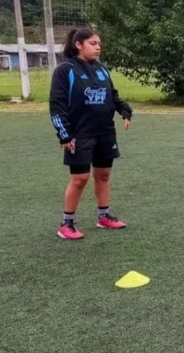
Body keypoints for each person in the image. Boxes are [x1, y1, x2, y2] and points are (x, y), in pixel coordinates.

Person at [50, 28, 132, 240]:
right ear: (78, 44)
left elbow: (112, 96)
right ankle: (66, 224)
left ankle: (104, 217)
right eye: (93, 43)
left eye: (99, 44)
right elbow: (57, 105)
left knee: (103, 175)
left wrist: (124, 111)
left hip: (105, 132)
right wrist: (64, 135)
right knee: (80, 178)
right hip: (79, 134)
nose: (98, 47)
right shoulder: (65, 70)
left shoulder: (102, 70)